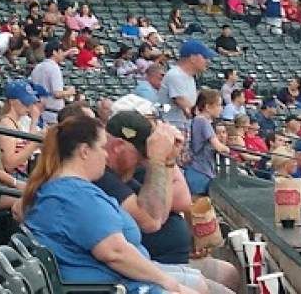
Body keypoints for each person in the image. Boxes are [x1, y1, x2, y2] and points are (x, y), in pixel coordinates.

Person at [22, 113, 200, 294]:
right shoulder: (75, 196)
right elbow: (115, 253)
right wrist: (170, 283)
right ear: (84, 151)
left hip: (120, 283)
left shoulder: (65, 188)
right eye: (101, 147)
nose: (106, 155)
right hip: (112, 287)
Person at [102, 111, 238, 294]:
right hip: (137, 272)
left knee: (228, 275)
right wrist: (158, 160)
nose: (144, 161)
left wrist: (168, 160)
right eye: (141, 155)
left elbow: (160, 214)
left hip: (155, 264)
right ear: (119, 146)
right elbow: (152, 221)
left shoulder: (123, 175)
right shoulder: (104, 177)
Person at [156, 41, 215, 132]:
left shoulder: (189, 77)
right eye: (205, 57)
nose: (208, 61)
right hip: (171, 128)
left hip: (181, 126)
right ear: (193, 58)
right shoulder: (176, 75)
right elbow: (188, 109)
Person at [183, 88, 229, 196]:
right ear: (208, 107)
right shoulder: (203, 122)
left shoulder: (199, 120)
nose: (221, 109)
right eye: (218, 105)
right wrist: (227, 149)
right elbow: (218, 146)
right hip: (200, 171)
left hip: (200, 170)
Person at [0, 81, 42, 175]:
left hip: (23, 174)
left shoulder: (19, 121)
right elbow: (9, 164)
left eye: (30, 103)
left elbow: (28, 145)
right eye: (25, 103)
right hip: (15, 178)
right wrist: (36, 143)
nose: (29, 107)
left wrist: (34, 120)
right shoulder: (6, 124)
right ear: (12, 102)